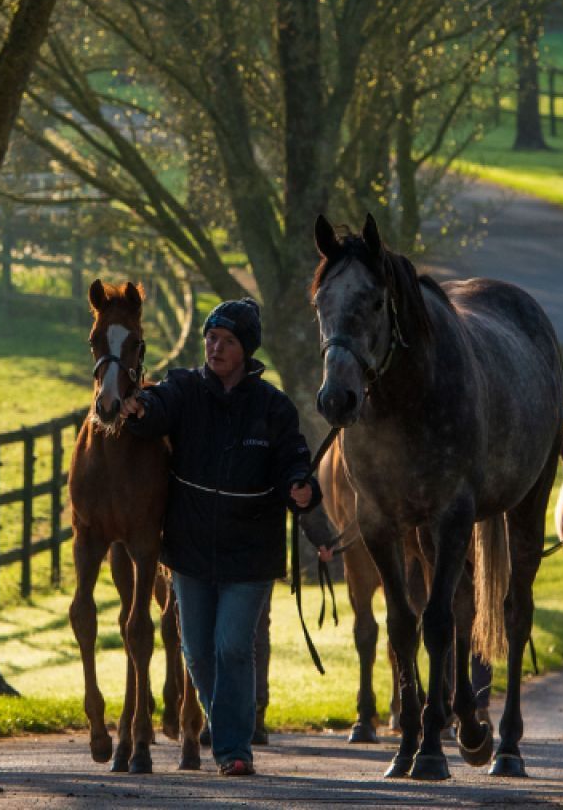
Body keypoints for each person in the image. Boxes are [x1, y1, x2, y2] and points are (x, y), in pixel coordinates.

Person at [121, 297, 320, 776]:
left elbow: (293, 455)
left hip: (250, 552)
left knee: (232, 646)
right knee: (195, 649)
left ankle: (233, 748)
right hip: (190, 547)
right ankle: (231, 730)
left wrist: (301, 484)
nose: (215, 346)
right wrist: (141, 407)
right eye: (211, 337)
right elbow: (159, 406)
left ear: (246, 351)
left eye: (227, 341)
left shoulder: (273, 407)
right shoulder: (186, 388)